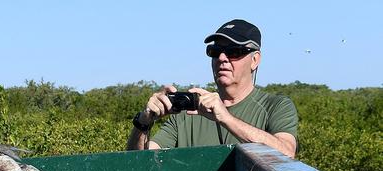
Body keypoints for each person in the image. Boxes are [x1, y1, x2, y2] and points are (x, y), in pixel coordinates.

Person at [127, 19, 299, 158]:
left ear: (255, 60)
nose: (222, 58)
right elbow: (140, 162)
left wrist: (225, 118)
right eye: (215, 51)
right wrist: (143, 122)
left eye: (234, 51)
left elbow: (286, 152)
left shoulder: (276, 106)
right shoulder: (187, 113)